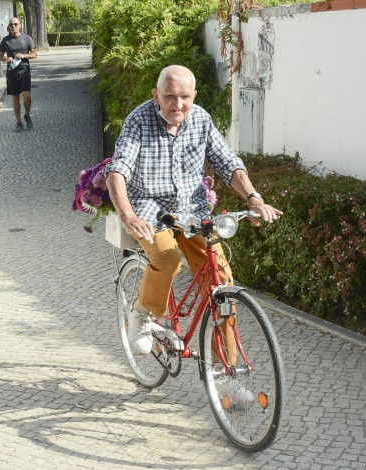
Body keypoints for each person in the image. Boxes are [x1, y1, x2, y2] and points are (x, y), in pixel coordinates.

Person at [105, 65, 282, 373]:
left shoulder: (200, 119)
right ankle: (142, 314)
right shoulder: (139, 120)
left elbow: (228, 163)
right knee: (168, 258)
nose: (178, 104)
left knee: (222, 283)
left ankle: (227, 374)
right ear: (156, 96)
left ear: (194, 95)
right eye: (170, 97)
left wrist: (253, 197)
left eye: (184, 97)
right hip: (149, 209)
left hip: (192, 211)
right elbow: (117, 172)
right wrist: (128, 215)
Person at [0, 17, 37, 132]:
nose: (13, 26)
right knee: (15, 98)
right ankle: (18, 122)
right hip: (12, 73)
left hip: (25, 71)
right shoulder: (5, 40)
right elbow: (0, 56)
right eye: (11, 25)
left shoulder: (26, 38)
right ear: (8, 27)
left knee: (27, 96)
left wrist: (24, 56)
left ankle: (27, 115)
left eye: (15, 24)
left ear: (20, 25)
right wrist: (6, 58)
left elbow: (34, 54)